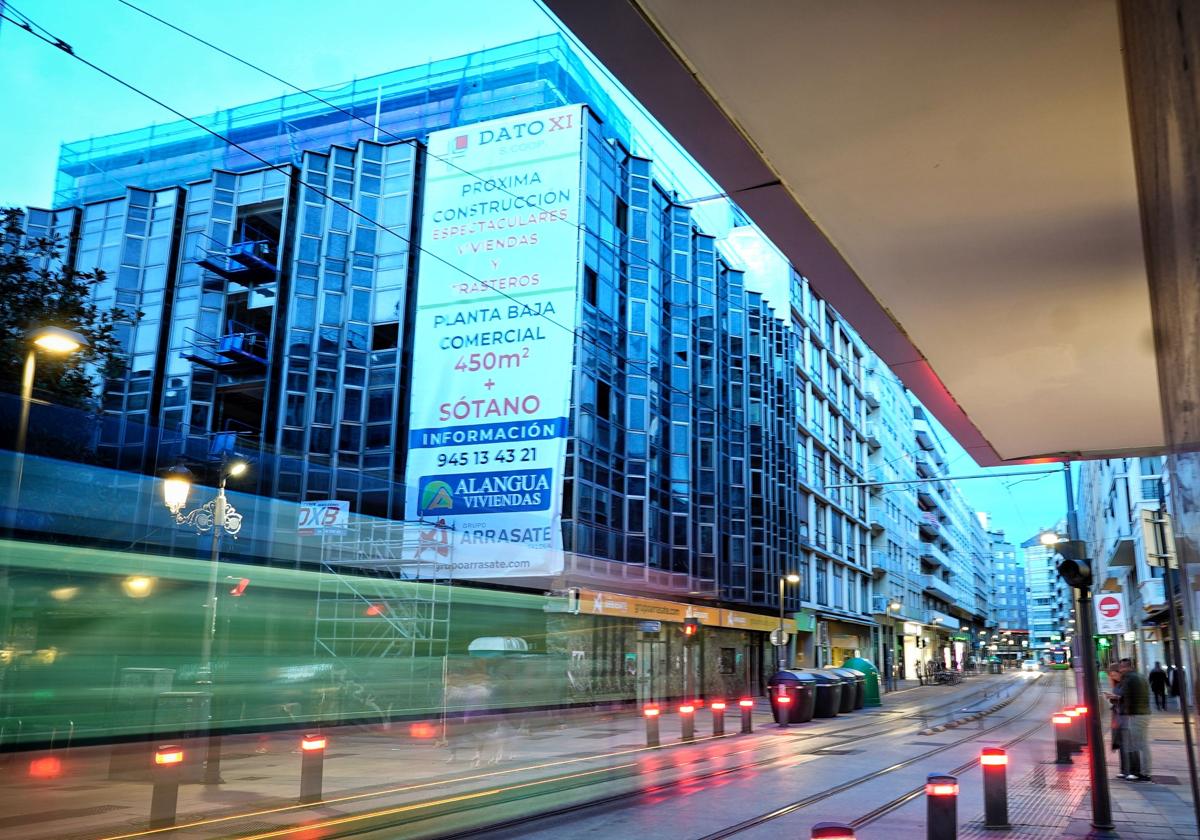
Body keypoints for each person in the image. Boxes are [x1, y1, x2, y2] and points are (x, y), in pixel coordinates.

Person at [1116, 658, 1153, 781]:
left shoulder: (1128, 678)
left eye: (1121, 668)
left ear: (1126, 667)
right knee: (1143, 744)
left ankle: (1140, 772)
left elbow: (1127, 697)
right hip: (1145, 713)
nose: (1120, 671)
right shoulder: (1140, 676)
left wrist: (1128, 712)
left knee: (1136, 744)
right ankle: (1145, 771)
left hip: (1136, 714)